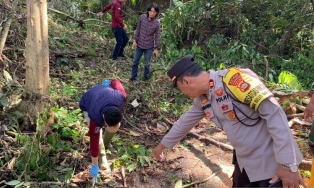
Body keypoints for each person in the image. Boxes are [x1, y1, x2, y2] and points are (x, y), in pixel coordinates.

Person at [149, 55, 306, 187]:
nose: (185, 94)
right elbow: (184, 123)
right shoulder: (203, 99)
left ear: (187, 82)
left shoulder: (235, 81)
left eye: (181, 89)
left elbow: (275, 114)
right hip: (244, 164)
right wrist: (161, 147)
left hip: (271, 164)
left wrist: (288, 164)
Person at [79, 79, 127, 182]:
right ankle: (102, 156)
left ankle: (105, 144)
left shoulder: (121, 97)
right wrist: (94, 165)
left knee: (115, 126)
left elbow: (116, 82)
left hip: (103, 92)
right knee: (98, 134)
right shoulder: (95, 117)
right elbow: (94, 140)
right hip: (87, 102)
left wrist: (109, 83)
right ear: (104, 118)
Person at [129, 3, 160, 82]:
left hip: (149, 47)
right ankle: (133, 77)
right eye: (151, 11)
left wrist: (156, 48)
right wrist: (135, 40)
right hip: (139, 44)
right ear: (148, 11)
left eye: (154, 12)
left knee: (147, 64)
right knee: (135, 62)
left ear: (156, 13)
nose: (152, 13)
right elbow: (138, 29)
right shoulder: (142, 18)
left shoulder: (156, 23)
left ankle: (145, 78)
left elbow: (157, 36)